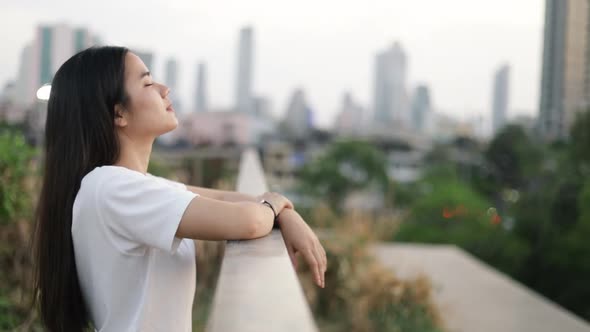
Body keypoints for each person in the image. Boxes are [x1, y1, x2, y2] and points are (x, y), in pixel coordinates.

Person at [32, 46, 327, 332]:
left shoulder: (136, 185)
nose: (164, 89)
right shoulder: (111, 187)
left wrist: (284, 211)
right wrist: (276, 207)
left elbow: (229, 199)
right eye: (147, 82)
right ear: (118, 113)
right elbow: (249, 221)